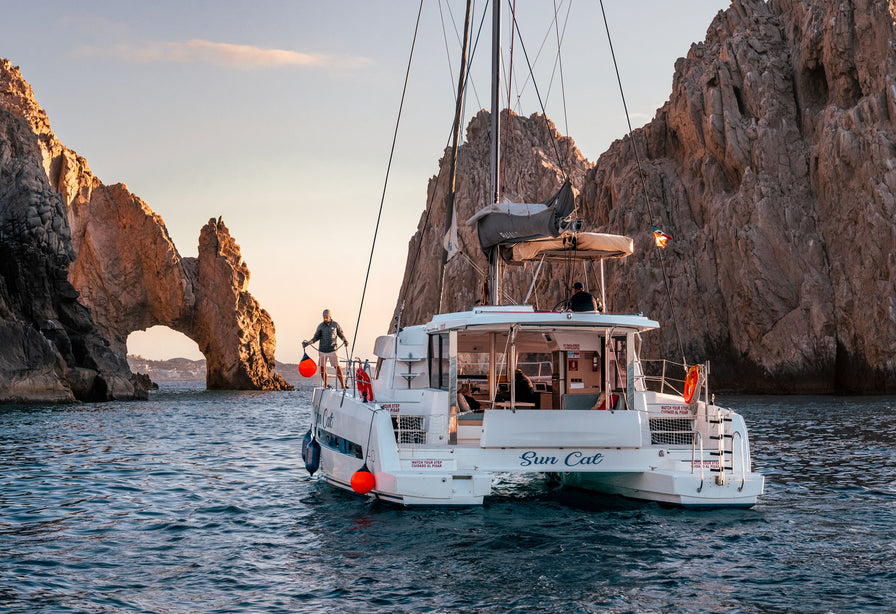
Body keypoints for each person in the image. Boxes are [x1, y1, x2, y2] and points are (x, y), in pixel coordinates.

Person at [304, 309, 348, 389]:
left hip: (333, 350)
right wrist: (308, 343)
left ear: (330, 316)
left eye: (326, 317)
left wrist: (345, 341)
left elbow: (341, 334)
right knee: (322, 367)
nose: (325, 318)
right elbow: (316, 337)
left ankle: (342, 385)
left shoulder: (335, 324)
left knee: (337, 366)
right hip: (322, 350)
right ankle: (325, 385)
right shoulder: (320, 326)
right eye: (324, 317)